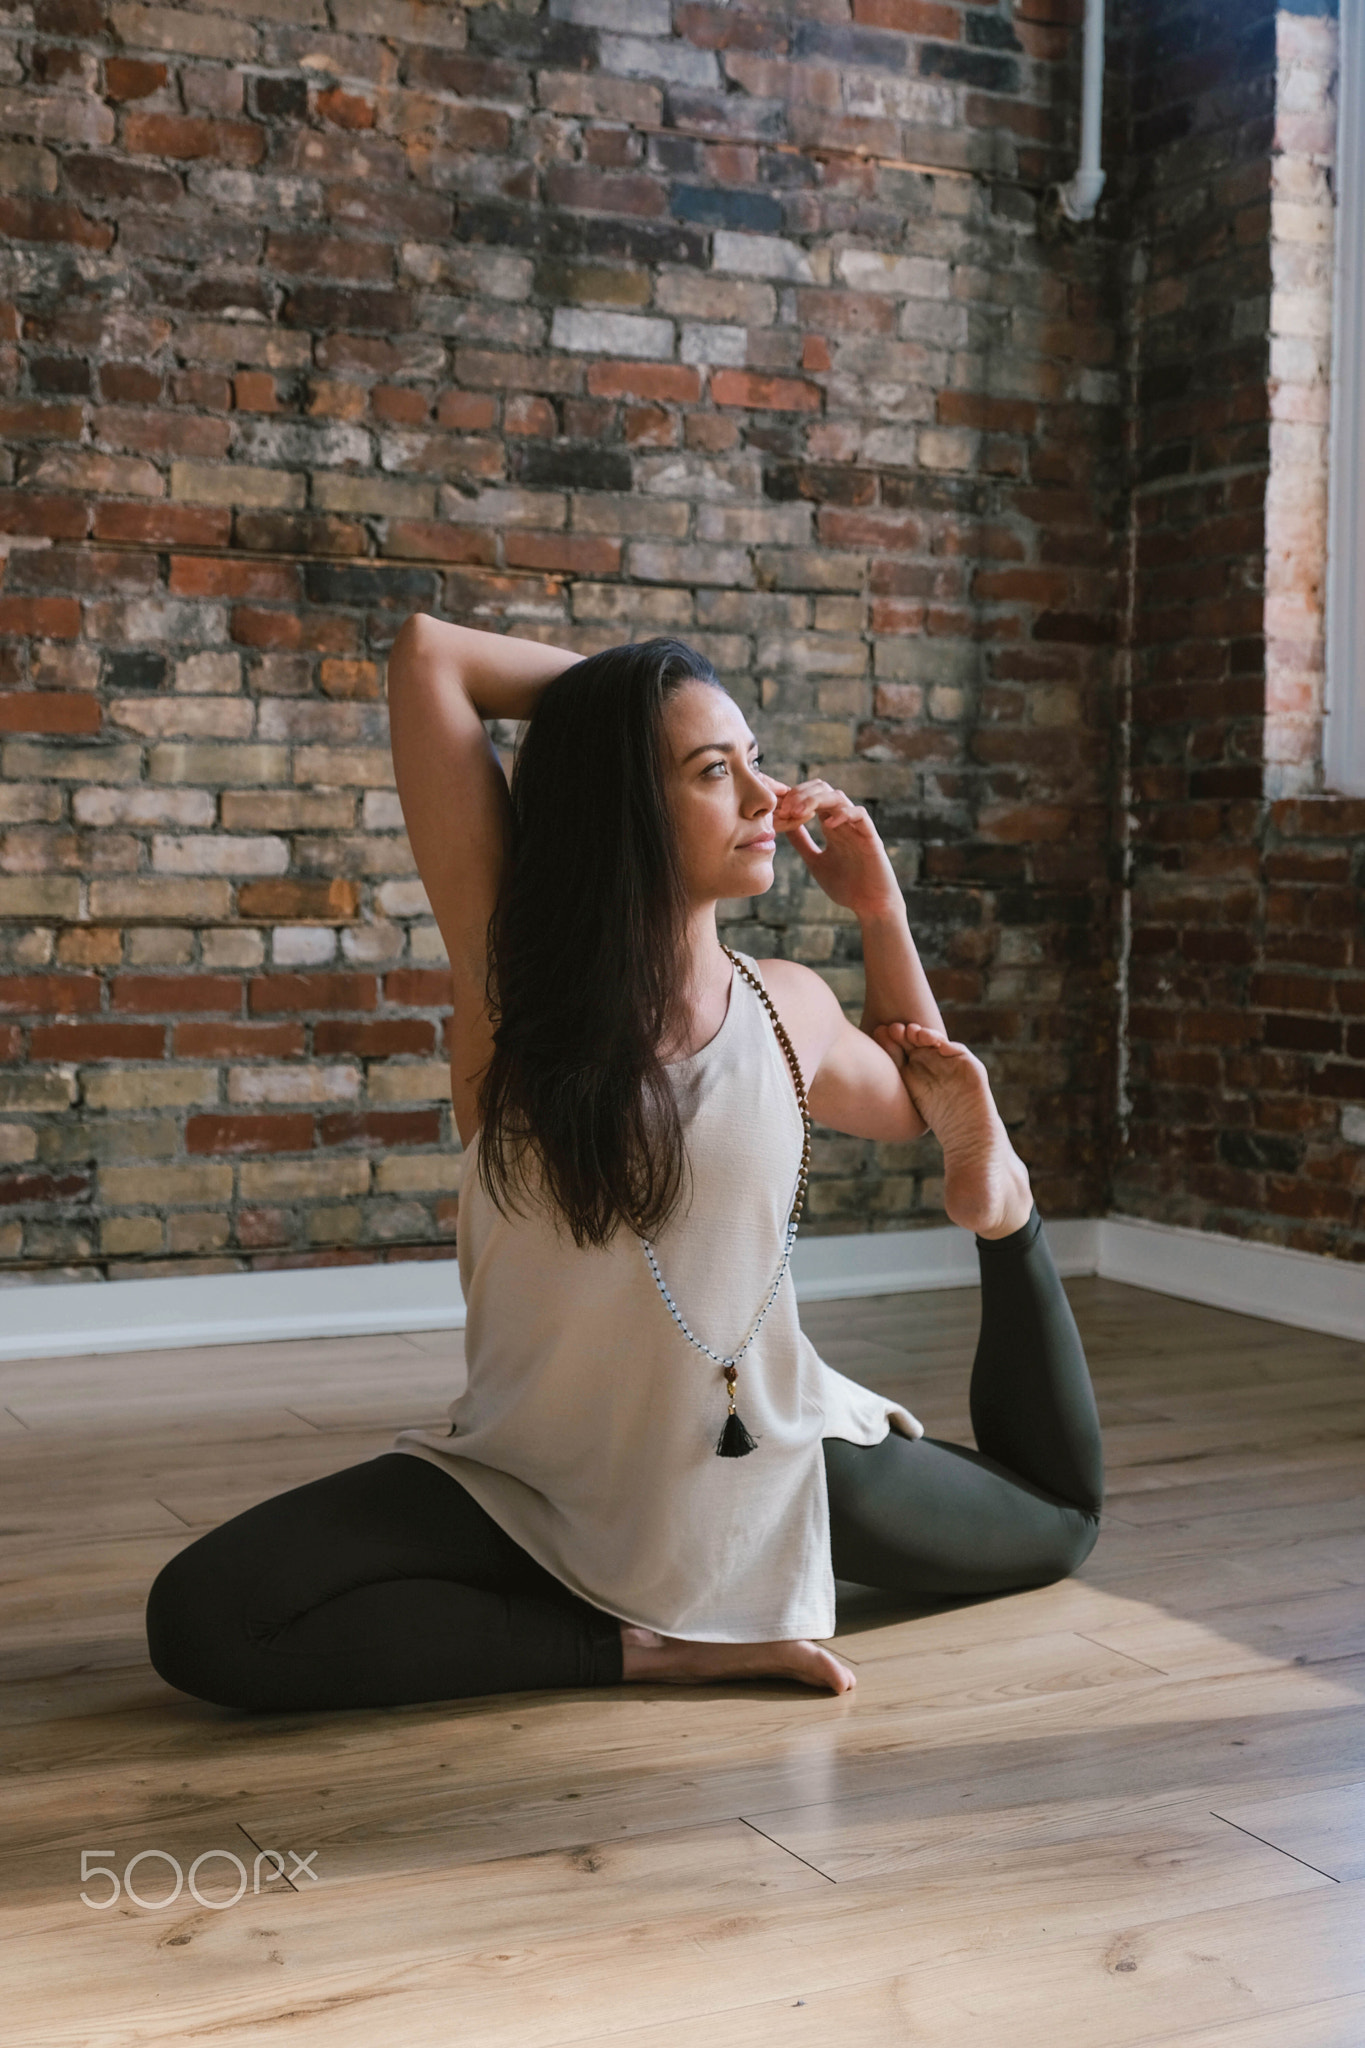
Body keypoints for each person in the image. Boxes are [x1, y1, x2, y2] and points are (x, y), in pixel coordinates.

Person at [145, 626, 1104, 1713]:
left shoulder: (787, 1005)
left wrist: (880, 912)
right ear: (622, 802)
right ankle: (639, 1647)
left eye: (755, 759)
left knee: (1058, 1525)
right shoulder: (512, 994)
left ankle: (1007, 1213)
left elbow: (919, 1096)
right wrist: (623, 709)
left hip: (768, 1459)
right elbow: (430, 658)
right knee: (204, 1615)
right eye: (714, 770)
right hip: (529, 1485)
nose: (766, 796)